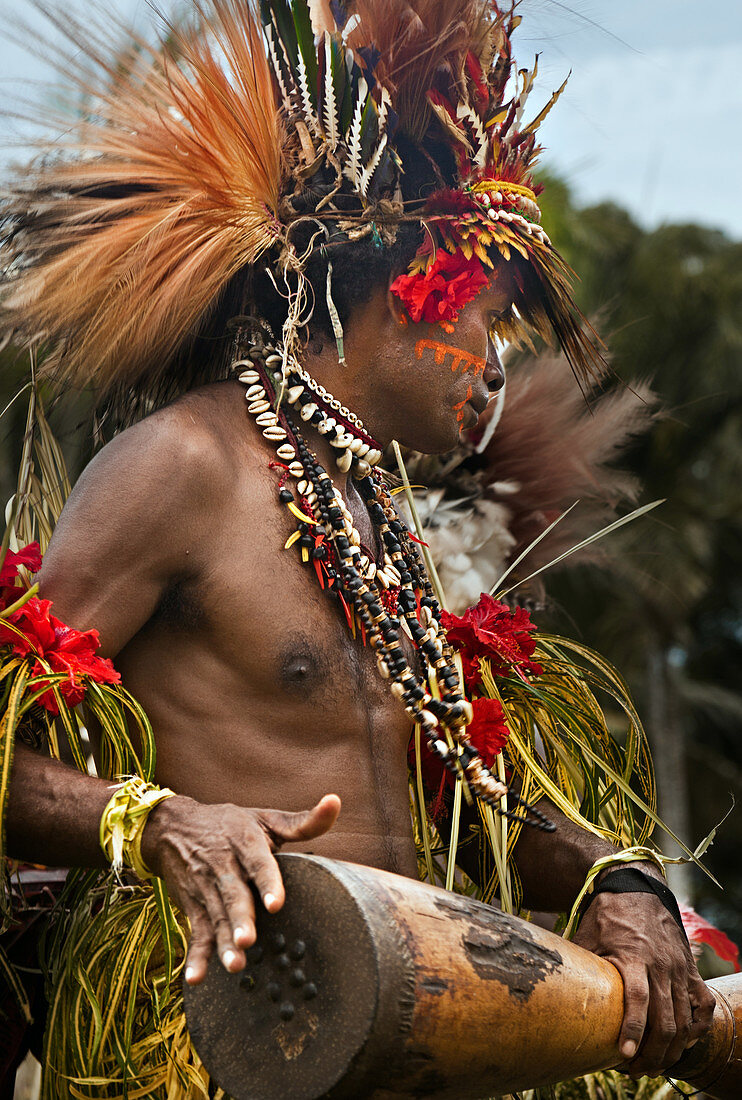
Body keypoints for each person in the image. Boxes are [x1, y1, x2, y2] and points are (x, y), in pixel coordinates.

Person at [0, 0, 715, 1094]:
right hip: (218, 1047)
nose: (491, 363)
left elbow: (449, 791)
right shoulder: (183, 466)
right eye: (483, 317)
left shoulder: (375, 520)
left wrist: (619, 876)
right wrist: (163, 823)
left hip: (402, 1035)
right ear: (390, 297)